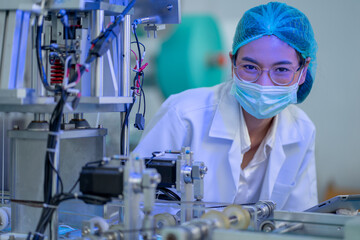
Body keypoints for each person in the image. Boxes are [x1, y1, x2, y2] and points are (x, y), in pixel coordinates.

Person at [134, 2, 318, 211]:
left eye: (281, 70)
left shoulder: (302, 130)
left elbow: (301, 220)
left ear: (303, 72)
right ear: (232, 64)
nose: (263, 84)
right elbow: (136, 207)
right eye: (250, 67)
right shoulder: (183, 116)